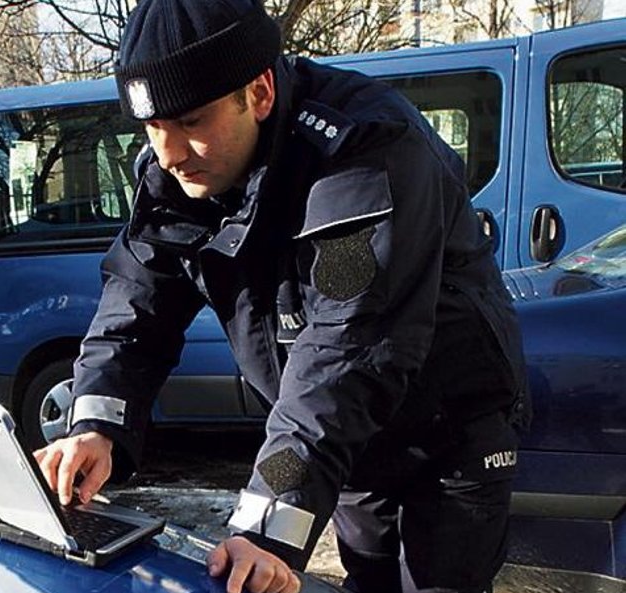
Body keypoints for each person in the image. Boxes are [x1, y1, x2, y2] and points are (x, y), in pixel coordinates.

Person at [33, 1, 530, 592]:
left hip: (449, 429)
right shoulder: (182, 173)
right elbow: (137, 299)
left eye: (190, 121)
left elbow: (348, 345)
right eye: (153, 126)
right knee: (370, 582)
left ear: (260, 92)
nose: (169, 151)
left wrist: (269, 522)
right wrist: (96, 424)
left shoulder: (365, 152)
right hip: (353, 442)